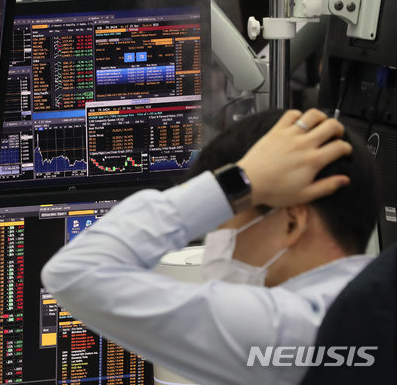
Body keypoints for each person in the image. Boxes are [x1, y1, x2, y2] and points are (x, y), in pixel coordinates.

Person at [41, 109, 380, 385]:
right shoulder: (375, 306)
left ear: (291, 222)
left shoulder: (285, 330)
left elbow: (75, 272)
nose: (213, 246)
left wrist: (238, 181)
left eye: (221, 222)